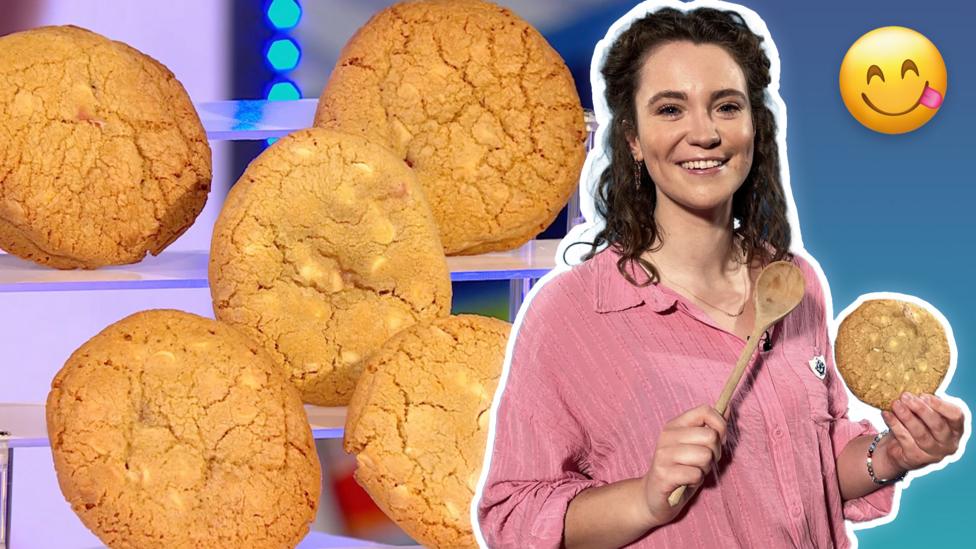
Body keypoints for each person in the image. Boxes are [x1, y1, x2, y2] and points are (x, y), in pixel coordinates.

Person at [474, 4, 966, 548]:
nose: (704, 133)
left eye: (726, 106)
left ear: (754, 125)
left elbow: (813, 471)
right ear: (633, 138)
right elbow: (513, 518)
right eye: (670, 109)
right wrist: (645, 497)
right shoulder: (572, 313)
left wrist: (893, 454)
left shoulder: (794, 283)